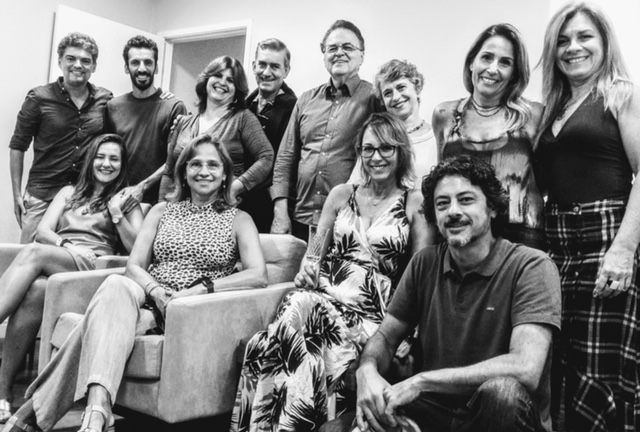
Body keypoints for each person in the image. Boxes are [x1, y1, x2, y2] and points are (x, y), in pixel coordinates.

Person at [2, 134, 267, 432]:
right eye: (195, 164)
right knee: (117, 283)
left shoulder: (239, 219)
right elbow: (134, 266)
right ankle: (98, 410)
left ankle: (41, 413)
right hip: (149, 300)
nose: (203, 171)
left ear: (225, 175)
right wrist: (155, 290)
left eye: (212, 165)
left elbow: (258, 275)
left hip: (191, 311)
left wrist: (203, 289)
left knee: (96, 324)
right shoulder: (161, 211)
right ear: (184, 173)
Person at [323, 155, 561, 432]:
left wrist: (422, 381)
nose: (453, 212)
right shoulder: (425, 263)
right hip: (435, 412)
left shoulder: (531, 266)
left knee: (502, 393)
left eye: (466, 200)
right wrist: (367, 370)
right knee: (335, 429)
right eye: (442, 204)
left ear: (493, 208)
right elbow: (386, 337)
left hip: (498, 416)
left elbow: (526, 368)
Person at [231, 113, 429, 432]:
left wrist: (409, 333)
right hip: (322, 297)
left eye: (386, 148)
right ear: (359, 153)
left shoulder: (413, 201)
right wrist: (306, 272)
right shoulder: (340, 195)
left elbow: (423, 275)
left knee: (275, 335)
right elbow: (313, 254)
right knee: (297, 318)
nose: (376, 156)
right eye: (368, 149)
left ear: (401, 151)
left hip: (370, 314)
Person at [535, 3, 640, 431]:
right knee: (561, 366)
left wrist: (624, 249)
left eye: (584, 37)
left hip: (606, 239)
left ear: (604, 42)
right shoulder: (553, 106)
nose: (572, 47)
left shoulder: (621, 93)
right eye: (562, 40)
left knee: (603, 370)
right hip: (558, 248)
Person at [0, 134, 143, 424]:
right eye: (101, 157)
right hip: (61, 260)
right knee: (36, 289)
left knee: (34, 252)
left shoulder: (127, 201)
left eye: (114, 159)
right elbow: (43, 231)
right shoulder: (69, 192)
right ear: (91, 160)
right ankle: (3, 392)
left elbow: (137, 249)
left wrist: (116, 213)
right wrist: (67, 246)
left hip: (91, 270)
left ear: (122, 165)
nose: (106, 163)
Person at [432, 23, 545, 250]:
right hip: (462, 241)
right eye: (487, 58)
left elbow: (546, 182)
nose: (493, 69)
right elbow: (442, 183)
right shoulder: (445, 115)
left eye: (505, 62)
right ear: (471, 62)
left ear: (514, 73)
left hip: (521, 242)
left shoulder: (533, 116)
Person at [271, 19, 381, 241]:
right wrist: (280, 213)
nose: (339, 53)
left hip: (347, 224)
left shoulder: (375, 100)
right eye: (332, 48)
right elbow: (285, 158)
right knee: (298, 266)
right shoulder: (305, 100)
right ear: (324, 56)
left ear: (362, 56)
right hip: (301, 220)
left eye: (347, 47)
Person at [9, 32, 112, 243]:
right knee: (29, 255)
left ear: (94, 66)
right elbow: (18, 146)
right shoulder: (38, 98)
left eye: (85, 61)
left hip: (81, 198)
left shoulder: (105, 100)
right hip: (42, 195)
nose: (78, 65)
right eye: (71, 58)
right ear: (60, 61)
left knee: (70, 256)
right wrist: (17, 194)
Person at [158, 56, 274, 211]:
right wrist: (162, 210)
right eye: (218, 75)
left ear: (237, 88)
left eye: (230, 80)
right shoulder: (183, 122)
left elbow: (266, 157)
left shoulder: (243, 118)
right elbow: (168, 172)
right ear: (206, 79)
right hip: (180, 211)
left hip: (221, 210)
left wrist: (235, 187)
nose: (222, 83)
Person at [106, 35, 187, 206]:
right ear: (126, 67)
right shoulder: (113, 106)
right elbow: (108, 154)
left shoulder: (173, 107)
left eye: (148, 62)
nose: (142, 68)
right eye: (135, 62)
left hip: (159, 202)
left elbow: (177, 158)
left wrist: (142, 187)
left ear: (156, 67)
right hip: (117, 197)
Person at [349, 59, 436, 187]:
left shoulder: (436, 137)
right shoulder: (375, 138)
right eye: (388, 93)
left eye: (401, 87)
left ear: (417, 89)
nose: (395, 97)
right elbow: (355, 184)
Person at [244, 38, 297, 232]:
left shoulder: (296, 110)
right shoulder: (242, 106)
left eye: (275, 66)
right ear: (253, 66)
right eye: (262, 65)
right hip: (238, 203)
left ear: (286, 70)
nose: (266, 73)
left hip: (272, 208)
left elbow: (288, 165)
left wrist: (280, 212)